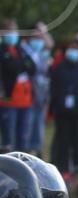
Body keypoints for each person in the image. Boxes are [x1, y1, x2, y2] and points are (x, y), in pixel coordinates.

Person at [49, 39, 78, 173]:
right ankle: (62, 171)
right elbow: (53, 88)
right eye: (71, 48)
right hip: (62, 113)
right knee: (62, 143)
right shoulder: (59, 68)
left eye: (76, 49)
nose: (73, 52)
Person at [0, 19, 35, 151]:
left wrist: (20, 65)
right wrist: (21, 65)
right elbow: (11, 67)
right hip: (7, 101)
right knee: (8, 139)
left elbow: (32, 68)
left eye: (15, 30)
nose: (13, 34)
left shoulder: (20, 49)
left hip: (24, 101)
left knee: (23, 138)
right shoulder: (2, 50)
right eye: (9, 30)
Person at [21, 22, 51, 156]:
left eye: (41, 38)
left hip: (40, 98)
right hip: (28, 97)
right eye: (36, 37)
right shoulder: (23, 50)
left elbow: (50, 44)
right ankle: (25, 154)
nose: (39, 40)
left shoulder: (41, 54)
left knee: (38, 130)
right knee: (27, 129)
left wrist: (44, 31)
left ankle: (35, 152)